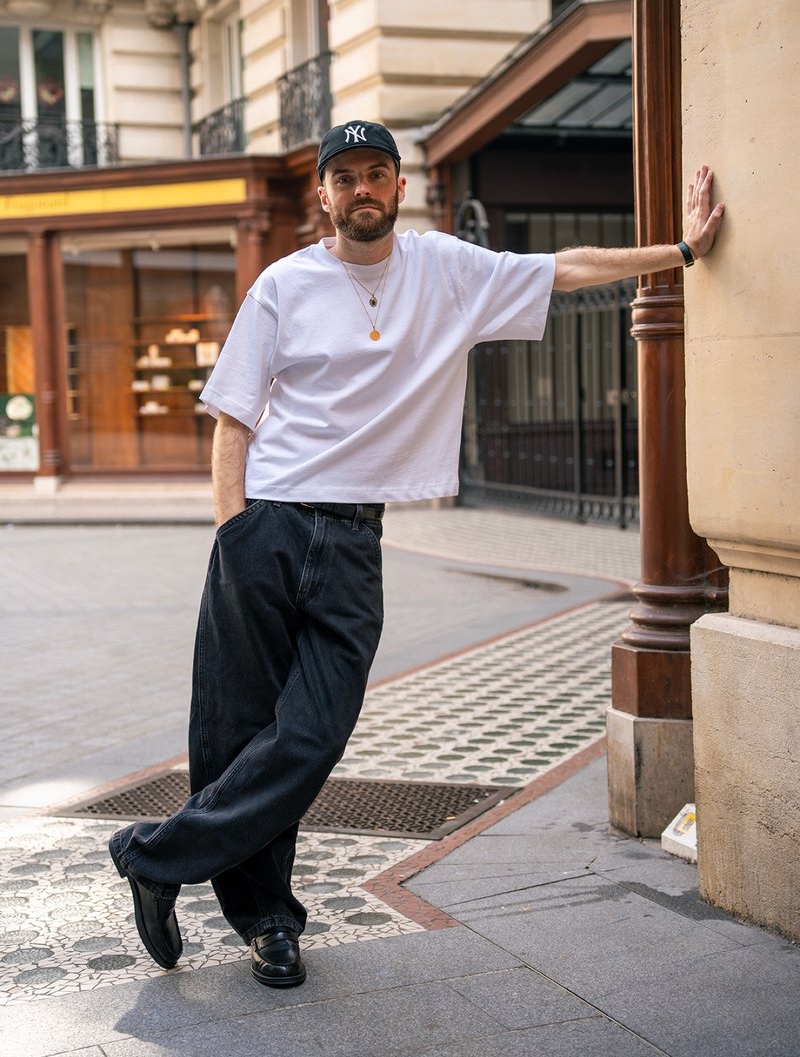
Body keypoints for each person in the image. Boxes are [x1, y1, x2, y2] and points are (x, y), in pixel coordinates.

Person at [109, 120, 724, 988]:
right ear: (321, 195)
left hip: (357, 536)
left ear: (399, 188)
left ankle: (154, 855)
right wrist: (233, 531)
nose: (362, 188)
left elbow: (569, 266)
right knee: (234, 731)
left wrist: (682, 253)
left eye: (377, 174)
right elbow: (233, 419)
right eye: (345, 176)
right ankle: (268, 922)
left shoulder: (448, 269)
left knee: (313, 733)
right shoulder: (283, 285)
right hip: (270, 526)